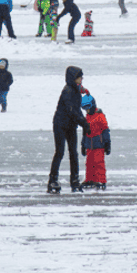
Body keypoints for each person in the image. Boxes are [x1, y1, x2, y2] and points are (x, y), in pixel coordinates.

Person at [48, 65, 89, 193]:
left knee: (73, 153)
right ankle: (52, 180)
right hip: (60, 124)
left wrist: (84, 122)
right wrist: (83, 123)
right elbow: (71, 110)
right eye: (79, 76)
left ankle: (75, 181)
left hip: (71, 125)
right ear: (73, 78)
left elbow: (77, 110)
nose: (82, 78)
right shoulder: (68, 91)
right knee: (60, 152)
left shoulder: (76, 90)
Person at [81, 93, 111, 189]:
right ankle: (90, 179)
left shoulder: (100, 116)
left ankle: (101, 180)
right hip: (89, 145)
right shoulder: (87, 117)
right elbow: (85, 133)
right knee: (89, 163)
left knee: (98, 163)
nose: (87, 110)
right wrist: (83, 145)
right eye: (85, 108)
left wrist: (107, 144)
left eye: (88, 108)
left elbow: (105, 131)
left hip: (99, 144)